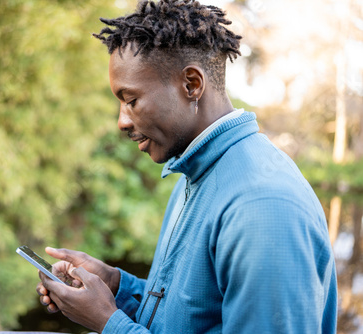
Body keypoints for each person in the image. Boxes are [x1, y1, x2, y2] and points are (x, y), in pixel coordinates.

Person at [36, 0, 338, 333]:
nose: (121, 122)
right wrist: (116, 288)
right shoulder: (193, 175)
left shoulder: (263, 207)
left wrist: (108, 323)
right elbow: (188, 319)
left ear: (191, 84)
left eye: (131, 100)